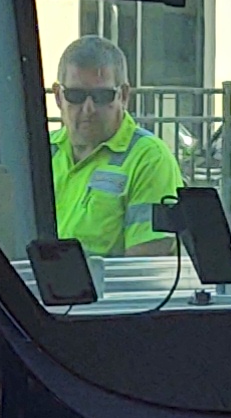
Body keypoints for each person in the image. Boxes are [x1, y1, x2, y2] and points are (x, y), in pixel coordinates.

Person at [45, 33, 181, 258]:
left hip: (105, 284)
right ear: (58, 97)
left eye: (102, 96)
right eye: (76, 95)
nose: (88, 108)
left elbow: (144, 265)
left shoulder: (149, 159)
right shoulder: (42, 152)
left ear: (124, 96)